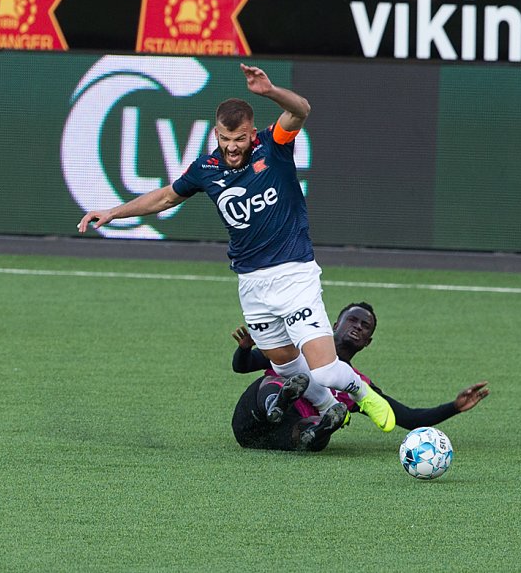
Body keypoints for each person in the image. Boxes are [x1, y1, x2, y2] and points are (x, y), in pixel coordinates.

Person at [77, 63, 398, 432]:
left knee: (324, 368)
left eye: (240, 139)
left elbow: (302, 109)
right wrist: (113, 213)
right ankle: (328, 408)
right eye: (225, 139)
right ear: (216, 134)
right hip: (251, 282)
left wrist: (270, 91)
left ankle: (364, 395)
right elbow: (166, 198)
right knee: (285, 363)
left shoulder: (274, 145)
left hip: (294, 272)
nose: (232, 147)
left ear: (250, 133)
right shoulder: (206, 167)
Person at [230, 302, 490, 451]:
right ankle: (279, 402)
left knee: (322, 434)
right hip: (249, 421)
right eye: (352, 320)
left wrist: (455, 407)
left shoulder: (358, 385)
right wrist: (244, 349)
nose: (357, 327)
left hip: (281, 438)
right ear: (334, 325)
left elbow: (409, 417)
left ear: (368, 342)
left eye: (365, 327)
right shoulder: (299, 350)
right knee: (272, 383)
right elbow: (242, 367)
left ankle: (318, 429)